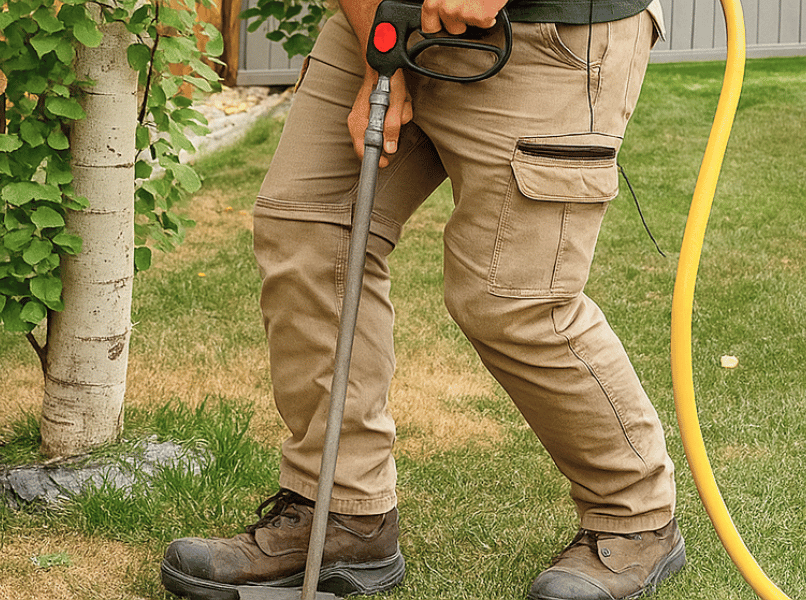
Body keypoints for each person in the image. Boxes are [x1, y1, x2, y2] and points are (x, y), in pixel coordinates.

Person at [161, 1, 684, 599]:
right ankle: (345, 513)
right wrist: (372, 45)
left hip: (553, 33)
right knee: (311, 229)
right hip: (391, 19)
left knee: (511, 297)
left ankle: (634, 516)